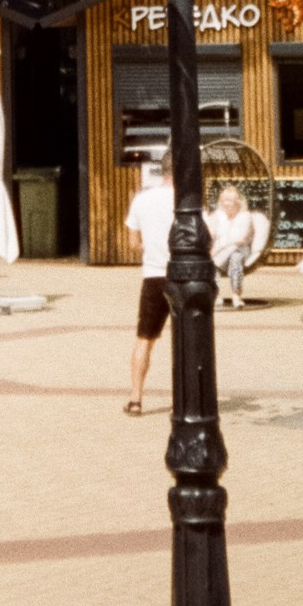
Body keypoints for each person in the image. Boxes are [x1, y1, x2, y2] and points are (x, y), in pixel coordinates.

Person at [125, 153, 177, 412]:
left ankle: (136, 398)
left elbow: (134, 243)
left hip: (153, 275)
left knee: (144, 338)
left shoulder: (142, 199)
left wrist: (151, 248)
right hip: (181, 277)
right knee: (185, 339)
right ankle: (186, 396)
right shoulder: (188, 201)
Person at [206, 181, 264, 309]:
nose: (227, 203)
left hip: (239, 250)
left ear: (237, 201)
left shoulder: (245, 216)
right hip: (220, 252)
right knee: (212, 262)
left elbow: (240, 239)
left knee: (235, 257)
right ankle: (216, 294)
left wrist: (220, 247)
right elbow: (210, 233)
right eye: (224, 200)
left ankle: (236, 294)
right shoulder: (217, 215)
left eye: (230, 200)